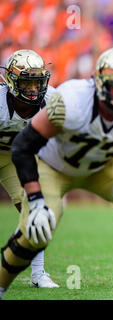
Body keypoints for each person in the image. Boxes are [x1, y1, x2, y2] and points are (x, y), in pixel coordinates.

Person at [0, 47, 113, 300]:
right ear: (100, 84)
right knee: (38, 228)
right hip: (54, 164)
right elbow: (23, 146)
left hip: (102, 162)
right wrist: (36, 198)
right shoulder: (71, 100)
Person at [0, 49, 58, 288]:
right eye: (27, 82)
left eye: (37, 82)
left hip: (15, 158)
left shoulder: (52, 100)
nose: (34, 89)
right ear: (12, 81)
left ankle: (38, 273)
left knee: (34, 209)